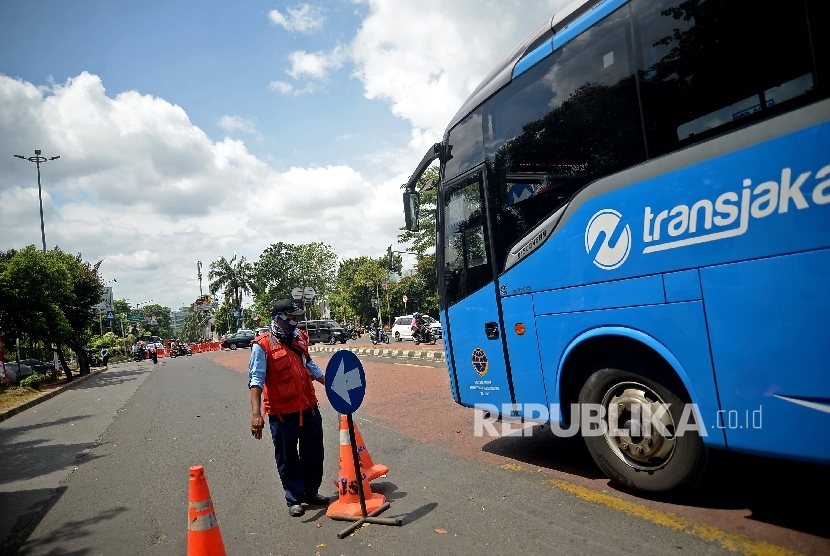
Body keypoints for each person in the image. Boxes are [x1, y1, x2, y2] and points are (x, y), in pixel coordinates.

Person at [248, 299, 329, 517]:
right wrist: (256, 414)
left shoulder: (300, 337)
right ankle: (294, 498)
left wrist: (328, 383)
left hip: (308, 407)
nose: (295, 321)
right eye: (291, 317)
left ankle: (311, 492)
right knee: (288, 457)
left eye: (296, 317)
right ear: (279, 317)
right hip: (282, 413)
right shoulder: (262, 345)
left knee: (314, 452)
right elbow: (256, 380)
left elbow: (308, 363)